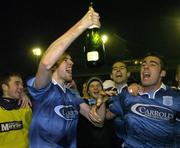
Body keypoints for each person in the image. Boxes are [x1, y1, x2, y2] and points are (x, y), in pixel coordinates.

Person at [26, 8, 105, 148]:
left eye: (72, 60)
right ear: (55, 65)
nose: (72, 63)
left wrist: (101, 101)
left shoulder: (72, 95)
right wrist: (82, 25)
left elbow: (98, 122)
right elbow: (45, 63)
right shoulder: (44, 89)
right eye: (66, 60)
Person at [103, 53, 180, 147]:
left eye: (152, 64)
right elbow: (102, 118)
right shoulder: (128, 95)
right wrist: (102, 101)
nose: (146, 67)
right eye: (143, 64)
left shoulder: (176, 96)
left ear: (162, 73)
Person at [77, 77, 116, 148]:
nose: (95, 88)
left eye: (98, 85)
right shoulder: (82, 104)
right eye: (92, 86)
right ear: (88, 91)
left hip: (107, 144)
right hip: (86, 144)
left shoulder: (109, 103)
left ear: (102, 89)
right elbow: (96, 118)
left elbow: (112, 115)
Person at [0, 72, 32, 148]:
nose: (21, 87)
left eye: (22, 84)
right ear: (5, 87)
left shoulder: (26, 107)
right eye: (17, 84)